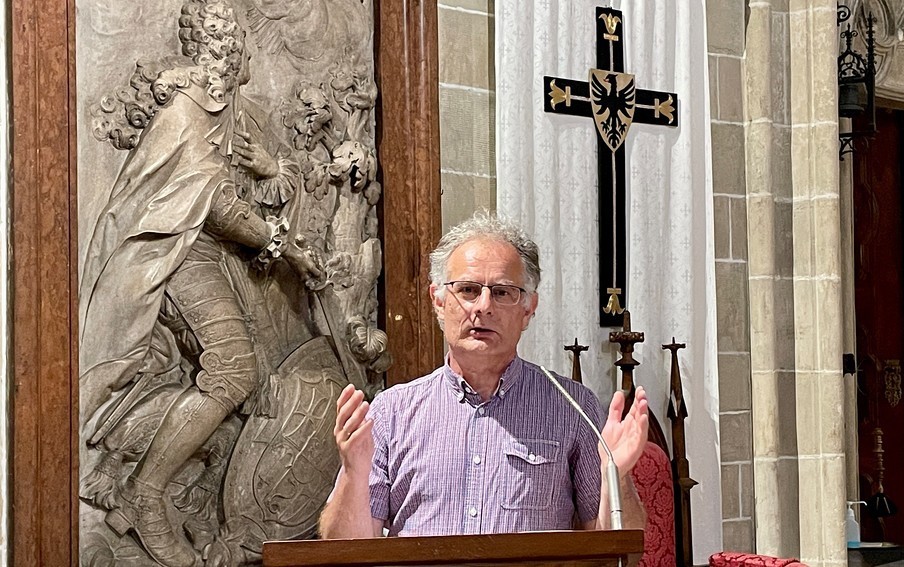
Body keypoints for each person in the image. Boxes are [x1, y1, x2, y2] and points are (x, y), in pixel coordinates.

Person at [78, 2, 323, 565]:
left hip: (201, 251)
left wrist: (271, 178)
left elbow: (245, 191)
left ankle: (173, 494)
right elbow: (212, 201)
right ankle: (144, 493)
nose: (244, 52)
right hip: (171, 250)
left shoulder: (222, 108)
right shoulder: (192, 104)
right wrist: (287, 250)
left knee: (246, 376)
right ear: (221, 48)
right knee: (233, 370)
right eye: (236, 42)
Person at [319, 214, 648, 538]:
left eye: (503, 292)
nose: (484, 306)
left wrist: (617, 477)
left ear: (528, 309)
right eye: (468, 290)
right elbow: (346, 548)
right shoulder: (392, 412)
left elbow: (618, 550)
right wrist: (353, 472)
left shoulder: (573, 408)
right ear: (438, 300)